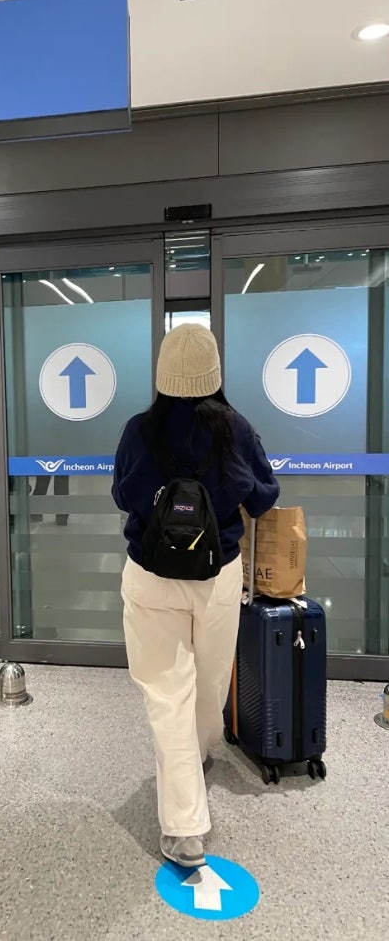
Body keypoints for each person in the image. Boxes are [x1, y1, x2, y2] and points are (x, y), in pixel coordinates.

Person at [111, 324, 279, 869]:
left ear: (162, 373)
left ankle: (185, 829)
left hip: (151, 577)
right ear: (214, 373)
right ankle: (195, 765)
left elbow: (122, 494)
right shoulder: (236, 429)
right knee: (209, 686)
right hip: (217, 577)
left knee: (167, 693)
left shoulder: (139, 430)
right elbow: (265, 496)